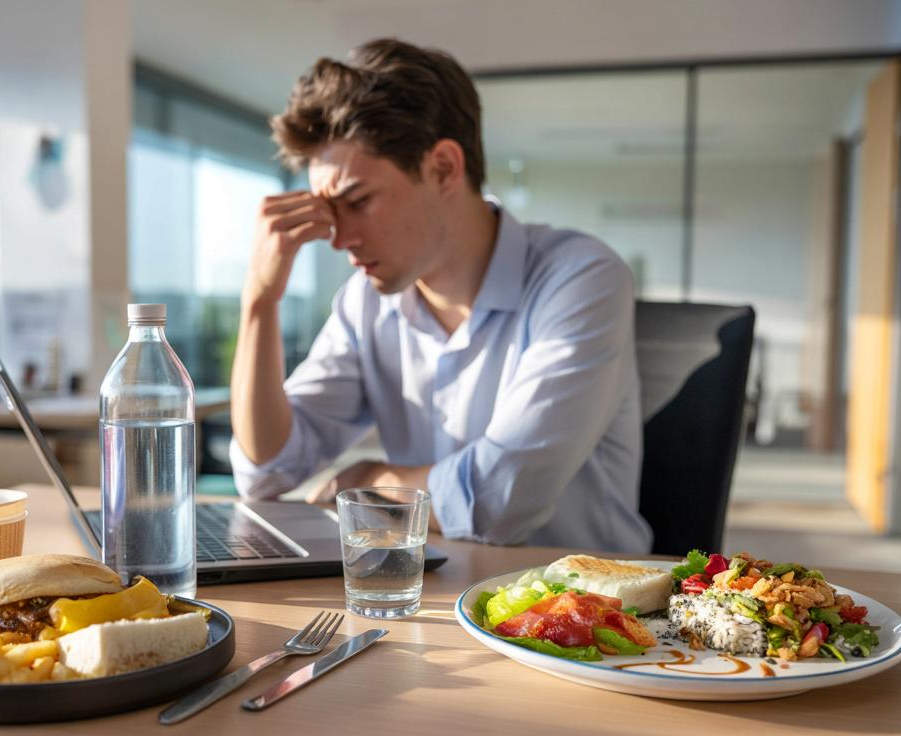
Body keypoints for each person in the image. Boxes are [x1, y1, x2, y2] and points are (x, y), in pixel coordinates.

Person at [228, 38, 651, 552]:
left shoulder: (582, 278)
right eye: (328, 211)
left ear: (445, 167)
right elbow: (267, 470)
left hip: (588, 614)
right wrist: (259, 302)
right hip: (430, 601)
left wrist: (368, 483)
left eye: (357, 201)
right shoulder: (365, 302)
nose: (338, 238)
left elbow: (499, 499)